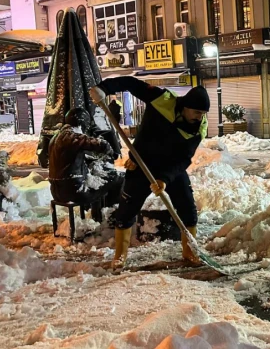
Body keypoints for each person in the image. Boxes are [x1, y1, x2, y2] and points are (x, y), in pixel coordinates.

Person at [90, 78, 209, 269]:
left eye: (203, 113)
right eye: (197, 112)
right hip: (141, 164)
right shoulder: (163, 100)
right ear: (185, 106)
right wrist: (105, 88)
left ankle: (189, 251)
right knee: (127, 209)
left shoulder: (199, 128)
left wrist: (164, 179)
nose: (200, 117)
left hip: (171, 168)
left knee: (187, 206)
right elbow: (131, 84)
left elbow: (184, 159)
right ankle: (120, 256)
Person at [48, 108, 124, 209]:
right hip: (74, 191)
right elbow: (98, 144)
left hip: (57, 190)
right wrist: (108, 148)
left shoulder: (56, 138)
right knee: (117, 178)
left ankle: (98, 213)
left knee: (100, 182)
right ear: (82, 122)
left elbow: (70, 157)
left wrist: (91, 159)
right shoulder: (71, 136)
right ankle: (111, 215)